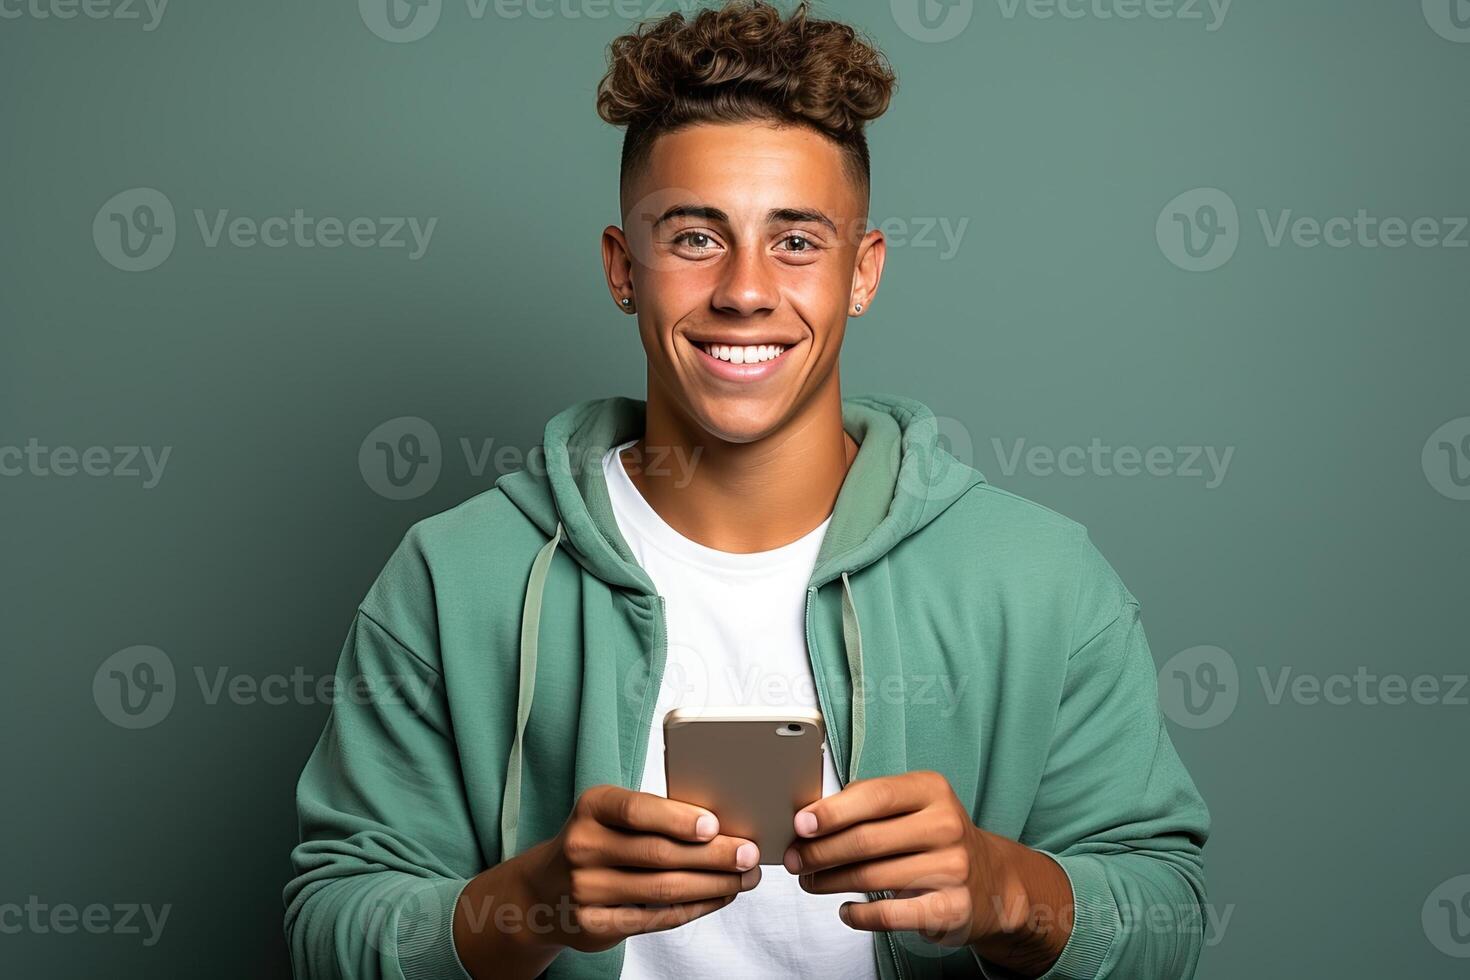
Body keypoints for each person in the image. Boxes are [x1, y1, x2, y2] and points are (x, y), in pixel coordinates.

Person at [283, 2, 1210, 978]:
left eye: (798, 241)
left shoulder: (1042, 579)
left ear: (865, 272)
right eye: (694, 237)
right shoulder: (454, 575)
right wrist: (531, 900)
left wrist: (1002, 884)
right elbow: (328, 926)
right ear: (622, 267)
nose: (746, 290)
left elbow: (1170, 919)